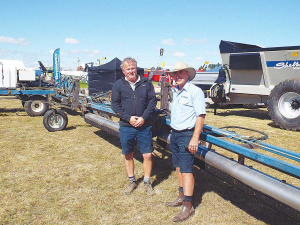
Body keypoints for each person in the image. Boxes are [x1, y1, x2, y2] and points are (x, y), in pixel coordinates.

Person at [166, 62, 206, 222]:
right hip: (175, 134)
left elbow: (200, 116)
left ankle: (188, 207)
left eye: (181, 73)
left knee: (187, 170)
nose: (177, 76)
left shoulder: (195, 91)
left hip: (187, 135)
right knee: (178, 167)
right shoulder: (176, 90)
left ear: (187, 74)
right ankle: (181, 197)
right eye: (175, 73)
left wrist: (195, 138)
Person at [111, 57, 157, 195]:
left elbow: (152, 102)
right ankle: (132, 181)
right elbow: (115, 105)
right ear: (123, 70)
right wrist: (128, 118)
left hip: (144, 125)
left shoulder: (146, 83)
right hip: (126, 125)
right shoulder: (118, 85)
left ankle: (147, 182)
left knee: (147, 155)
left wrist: (143, 118)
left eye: (133, 68)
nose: (131, 71)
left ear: (136, 68)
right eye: (128, 69)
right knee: (128, 154)